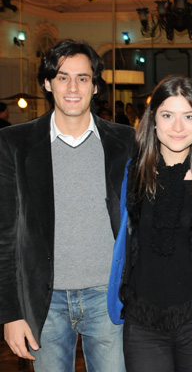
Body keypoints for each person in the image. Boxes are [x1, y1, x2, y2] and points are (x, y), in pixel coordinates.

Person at [0, 39, 134, 371]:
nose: (73, 87)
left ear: (95, 85)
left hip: (109, 297)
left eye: (83, 78)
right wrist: (11, 313)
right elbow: (5, 236)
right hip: (45, 302)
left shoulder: (126, 141)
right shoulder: (14, 143)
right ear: (47, 83)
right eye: (62, 77)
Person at [107, 75, 192, 371]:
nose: (178, 127)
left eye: (188, 116)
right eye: (168, 115)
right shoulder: (132, 174)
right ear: (153, 120)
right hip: (142, 322)